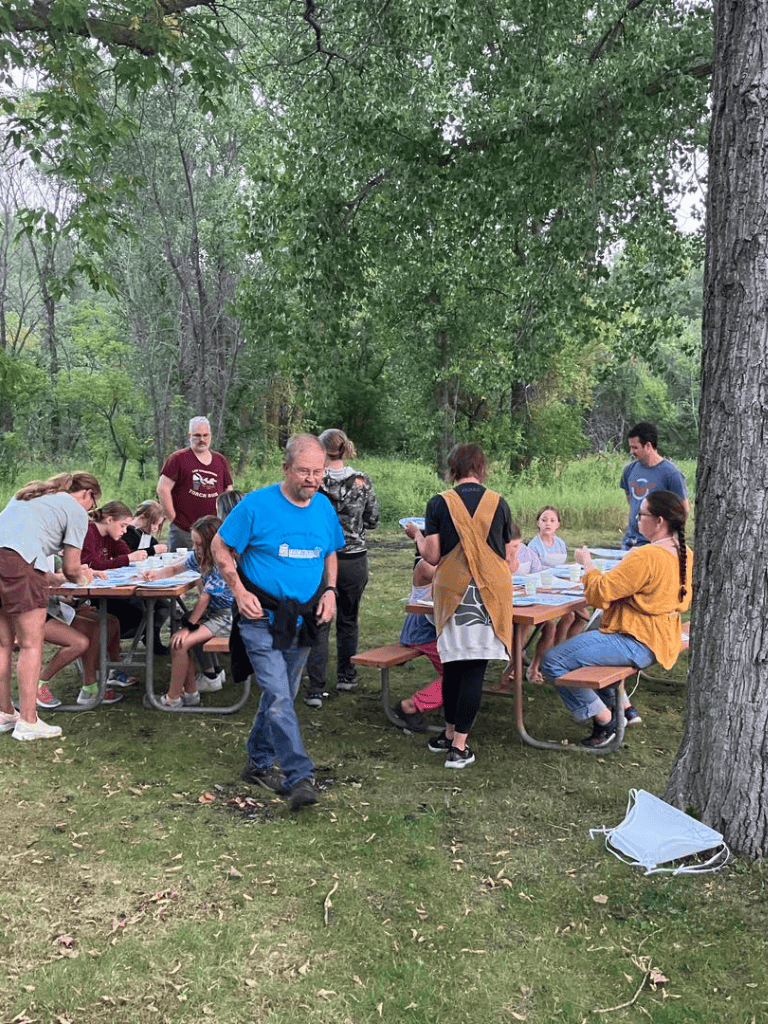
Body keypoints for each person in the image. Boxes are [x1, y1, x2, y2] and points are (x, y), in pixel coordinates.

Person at [212, 434, 345, 810]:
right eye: (304, 471)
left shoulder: (322, 507)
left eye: (318, 472)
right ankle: (300, 775)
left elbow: (332, 550)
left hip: (303, 619)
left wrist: (331, 591)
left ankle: (256, 763)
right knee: (279, 695)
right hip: (260, 618)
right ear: (286, 468)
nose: (313, 479)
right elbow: (219, 546)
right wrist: (239, 591)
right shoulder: (256, 505)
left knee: (279, 694)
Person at [541, 490, 692, 748]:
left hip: (637, 639)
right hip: (661, 637)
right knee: (585, 648)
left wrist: (587, 564)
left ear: (659, 521)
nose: (636, 519)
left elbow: (601, 594)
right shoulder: (684, 552)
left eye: (641, 513)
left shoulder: (647, 556)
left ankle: (605, 720)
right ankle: (623, 707)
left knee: (552, 660)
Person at [404, 443, 515, 769]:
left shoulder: (439, 502)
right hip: (489, 592)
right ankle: (458, 745)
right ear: (482, 470)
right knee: (474, 668)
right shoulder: (499, 503)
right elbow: (507, 556)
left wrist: (417, 537)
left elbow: (432, 556)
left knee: (453, 662)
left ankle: (452, 735)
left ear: (452, 470)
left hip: (453, 590)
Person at [0, 471, 100, 741]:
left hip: (6, 561)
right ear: (88, 494)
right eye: (94, 504)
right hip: (22, 567)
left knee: (3, 644)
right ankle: (29, 721)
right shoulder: (76, 511)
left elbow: (19, 551)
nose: (92, 510)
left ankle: (5, 712)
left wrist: (57, 575)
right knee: (32, 644)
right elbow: (71, 568)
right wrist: (83, 577)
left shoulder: (27, 496)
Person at [304, 429, 379, 707]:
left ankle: (314, 687)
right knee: (349, 619)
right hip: (354, 557)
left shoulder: (313, 480)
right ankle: (346, 674)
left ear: (322, 451)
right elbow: (373, 518)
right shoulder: (363, 481)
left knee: (320, 620)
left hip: (321, 558)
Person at [141, 516, 233, 709]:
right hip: (214, 613)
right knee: (179, 641)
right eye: (193, 542)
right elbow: (177, 567)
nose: (195, 547)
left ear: (211, 542)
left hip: (227, 617)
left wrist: (189, 627)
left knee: (180, 643)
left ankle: (172, 698)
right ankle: (190, 694)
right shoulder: (201, 555)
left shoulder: (222, 561)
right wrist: (156, 574)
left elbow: (205, 597)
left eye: (198, 543)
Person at [80, 500, 150, 656]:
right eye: (123, 525)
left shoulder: (109, 535)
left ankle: (114, 650)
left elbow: (124, 553)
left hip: (105, 587)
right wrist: (128, 559)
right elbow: (92, 563)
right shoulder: (89, 532)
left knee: (158, 606)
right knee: (138, 611)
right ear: (109, 520)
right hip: (91, 591)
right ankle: (107, 651)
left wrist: (120, 544)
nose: (125, 531)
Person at [524, 509, 585, 683]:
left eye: (552, 520)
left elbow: (562, 569)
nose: (548, 523)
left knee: (579, 616)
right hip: (541, 591)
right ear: (538, 523)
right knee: (562, 619)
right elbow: (531, 573)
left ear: (558, 525)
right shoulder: (533, 546)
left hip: (559, 588)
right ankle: (536, 665)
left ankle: (560, 656)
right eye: (544, 520)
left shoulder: (560, 543)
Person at [157, 416, 234, 552]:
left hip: (214, 531)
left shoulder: (220, 461)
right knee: (180, 569)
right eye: (197, 435)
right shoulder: (178, 459)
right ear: (189, 436)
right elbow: (163, 489)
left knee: (214, 569)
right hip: (184, 530)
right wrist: (174, 519)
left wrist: (225, 521)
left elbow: (228, 491)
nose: (202, 439)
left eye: (205, 435)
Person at [37, 596, 124, 708]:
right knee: (79, 643)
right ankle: (39, 683)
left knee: (107, 621)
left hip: (54, 609)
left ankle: (90, 688)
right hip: (30, 613)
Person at [392, 555, 443, 732]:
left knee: (469, 662)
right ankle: (410, 706)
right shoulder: (426, 564)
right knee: (459, 670)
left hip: (440, 631)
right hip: (422, 632)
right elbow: (448, 580)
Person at [620, 421, 688, 550]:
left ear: (648, 446)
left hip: (656, 545)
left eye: (635, 447)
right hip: (630, 542)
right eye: (630, 447)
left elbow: (683, 510)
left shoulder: (671, 474)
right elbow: (630, 498)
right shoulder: (629, 470)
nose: (631, 452)